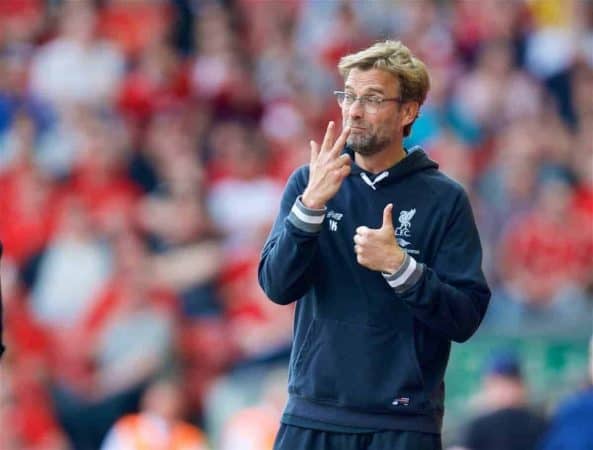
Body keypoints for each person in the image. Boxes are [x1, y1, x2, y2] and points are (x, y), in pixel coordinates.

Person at [258, 40, 491, 450]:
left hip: (401, 422)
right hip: (312, 412)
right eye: (348, 96)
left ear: (409, 111)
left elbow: (466, 317)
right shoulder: (309, 182)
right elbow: (277, 286)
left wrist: (402, 269)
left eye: (372, 98)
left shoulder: (445, 199)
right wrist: (310, 208)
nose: (354, 110)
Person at [458, 351, 547, 450]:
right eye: (497, 385)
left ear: (522, 386)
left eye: (510, 384)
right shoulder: (476, 427)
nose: (504, 391)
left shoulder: (538, 425)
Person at [100, 378, 209, 450]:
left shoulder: (190, 437)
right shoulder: (127, 428)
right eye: (159, 397)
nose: (163, 403)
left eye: (168, 398)